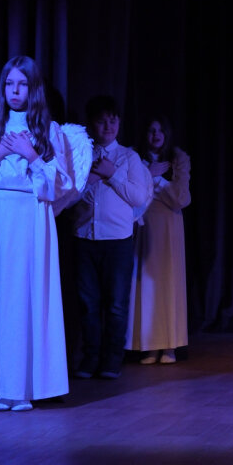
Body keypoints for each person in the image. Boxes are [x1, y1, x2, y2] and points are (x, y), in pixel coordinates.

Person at [0, 56, 89, 411]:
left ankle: (22, 387)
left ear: (33, 88)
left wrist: (32, 155)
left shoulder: (49, 131)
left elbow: (59, 186)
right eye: (9, 84)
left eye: (22, 84)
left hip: (31, 218)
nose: (15, 91)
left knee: (25, 297)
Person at [72, 95, 152, 379]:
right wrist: (91, 179)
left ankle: (111, 360)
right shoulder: (81, 155)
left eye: (113, 120)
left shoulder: (128, 158)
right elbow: (66, 198)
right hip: (84, 239)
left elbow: (139, 197)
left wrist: (112, 174)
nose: (108, 126)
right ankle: (90, 358)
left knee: (116, 305)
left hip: (118, 241)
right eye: (101, 121)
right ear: (91, 124)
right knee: (88, 304)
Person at [126, 116, 191, 365]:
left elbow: (181, 198)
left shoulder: (178, 158)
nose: (156, 135)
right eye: (151, 130)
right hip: (144, 223)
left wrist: (157, 179)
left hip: (169, 226)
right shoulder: (134, 156)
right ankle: (149, 346)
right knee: (145, 285)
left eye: (160, 130)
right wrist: (147, 173)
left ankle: (169, 345)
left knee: (168, 284)